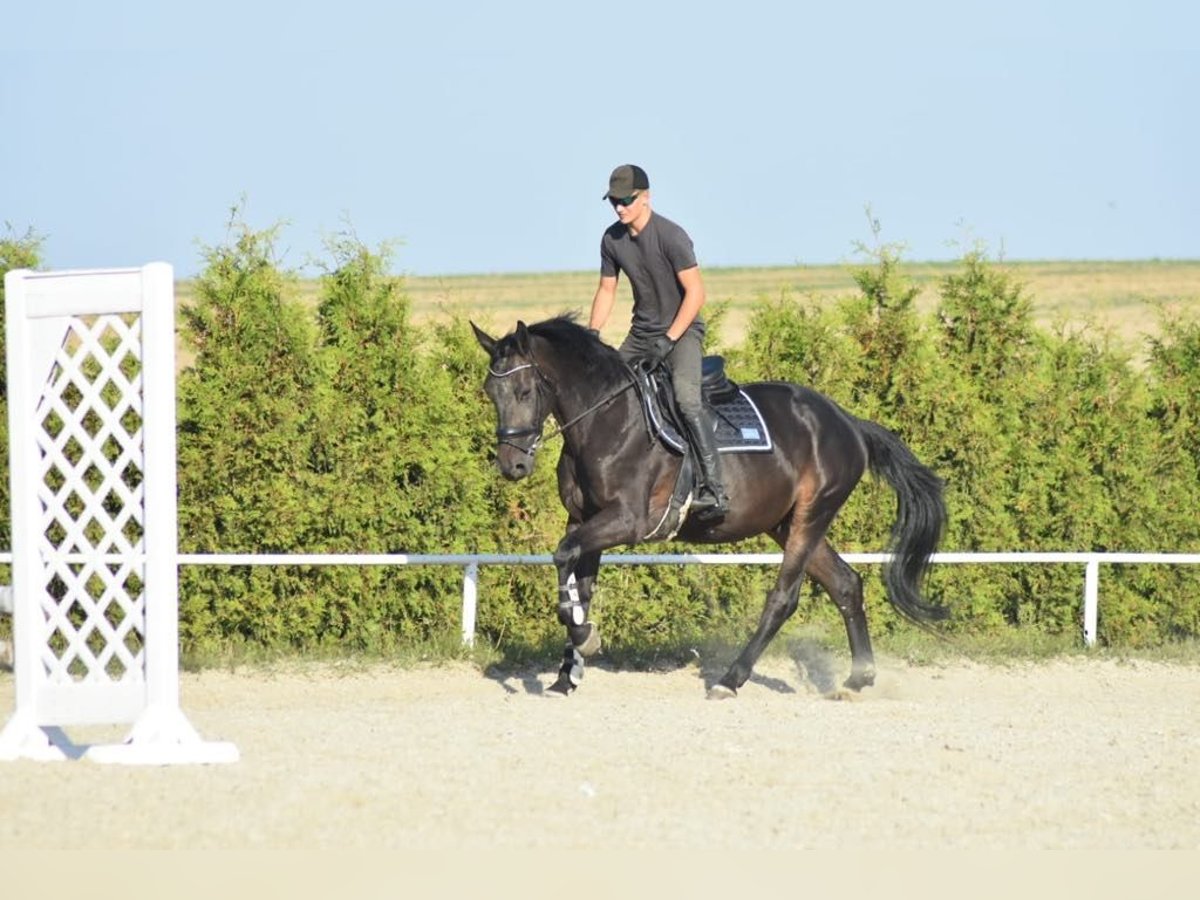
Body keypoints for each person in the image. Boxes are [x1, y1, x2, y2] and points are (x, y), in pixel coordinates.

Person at [588, 163, 729, 520]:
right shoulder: (611, 240)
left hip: (681, 333)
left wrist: (668, 340)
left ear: (646, 197)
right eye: (614, 202)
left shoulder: (671, 236)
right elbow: (607, 290)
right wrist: (591, 337)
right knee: (606, 394)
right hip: (640, 336)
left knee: (685, 399)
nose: (619, 208)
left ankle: (714, 487)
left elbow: (696, 294)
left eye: (626, 200)